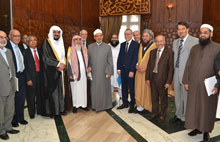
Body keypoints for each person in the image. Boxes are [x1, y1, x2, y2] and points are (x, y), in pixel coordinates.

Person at [182, 24, 219, 142]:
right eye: (201, 32)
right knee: (194, 107)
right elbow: (188, 65)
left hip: (209, 87)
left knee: (207, 109)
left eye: (205, 32)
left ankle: (206, 131)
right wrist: (186, 81)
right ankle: (196, 128)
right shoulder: (194, 48)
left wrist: (218, 86)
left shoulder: (218, 48)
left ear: (211, 34)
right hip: (194, 85)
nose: (202, 34)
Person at [170, 21, 199, 124]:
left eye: (183, 29)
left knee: (187, 97)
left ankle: (187, 117)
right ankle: (178, 114)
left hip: (187, 74)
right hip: (176, 73)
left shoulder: (195, 41)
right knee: (177, 96)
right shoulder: (175, 42)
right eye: (179, 29)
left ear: (188, 30)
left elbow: (196, 60)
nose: (180, 31)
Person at [146, 35, 174, 123]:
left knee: (163, 99)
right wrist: (147, 78)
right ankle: (155, 113)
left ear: (164, 42)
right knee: (154, 98)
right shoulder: (152, 52)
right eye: (157, 41)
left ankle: (162, 114)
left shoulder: (169, 52)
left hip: (163, 79)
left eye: (161, 41)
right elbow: (149, 66)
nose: (159, 43)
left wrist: (168, 81)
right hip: (153, 78)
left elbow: (171, 68)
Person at [41, 25, 66, 117]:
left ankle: (61, 109)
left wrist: (63, 64)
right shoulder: (46, 42)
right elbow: (45, 57)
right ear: (51, 33)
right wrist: (58, 64)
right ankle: (54, 111)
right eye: (54, 32)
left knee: (61, 90)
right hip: (50, 72)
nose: (56, 34)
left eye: (58, 32)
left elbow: (63, 56)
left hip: (61, 70)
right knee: (54, 91)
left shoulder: (61, 43)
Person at [6, 29, 28, 127]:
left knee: (21, 98)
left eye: (19, 36)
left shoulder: (20, 47)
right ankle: (13, 119)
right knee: (12, 99)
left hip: (22, 75)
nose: (18, 38)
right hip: (13, 77)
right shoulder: (6, 48)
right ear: (10, 36)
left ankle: (20, 117)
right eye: (15, 36)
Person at [0, 30, 19, 140]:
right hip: (1, 86)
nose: (3, 40)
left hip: (11, 84)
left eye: (5, 37)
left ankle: (8, 127)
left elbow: (11, 68)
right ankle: (1, 130)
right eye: (1, 37)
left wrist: (14, 82)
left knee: (10, 108)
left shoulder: (8, 51)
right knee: (0, 111)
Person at [88, 29, 113, 111]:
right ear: (94, 37)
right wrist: (89, 67)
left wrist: (109, 72)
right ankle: (95, 106)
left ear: (102, 36)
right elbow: (88, 60)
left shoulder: (107, 47)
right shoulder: (90, 47)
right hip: (94, 73)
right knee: (95, 90)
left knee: (105, 89)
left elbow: (110, 60)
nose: (99, 37)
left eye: (100, 36)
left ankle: (106, 106)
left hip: (104, 72)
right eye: (97, 36)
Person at [117, 29, 139, 113]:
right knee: (124, 88)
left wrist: (132, 70)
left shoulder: (136, 45)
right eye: (125, 34)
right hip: (123, 70)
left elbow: (135, 59)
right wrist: (118, 68)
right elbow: (120, 57)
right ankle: (125, 103)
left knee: (132, 88)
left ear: (132, 35)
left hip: (130, 71)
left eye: (128, 34)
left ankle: (132, 104)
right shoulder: (122, 45)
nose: (126, 36)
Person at [135, 29, 157, 112]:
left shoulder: (154, 45)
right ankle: (140, 104)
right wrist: (136, 66)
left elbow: (155, 61)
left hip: (148, 72)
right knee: (139, 88)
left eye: (146, 36)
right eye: (143, 36)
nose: (144, 38)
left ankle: (148, 106)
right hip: (139, 72)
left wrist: (146, 68)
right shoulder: (141, 45)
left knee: (147, 90)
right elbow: (137, 58)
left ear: (151, 37)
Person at [68, 35, 89, 113]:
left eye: (79, 39)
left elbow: (87, 61)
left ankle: (83, 105)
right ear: (73, 41)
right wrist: (70, 74)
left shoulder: (84, 50)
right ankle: (75, 106)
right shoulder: (70, 51)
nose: (78, 41)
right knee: (75, 90)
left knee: (83, 89)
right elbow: (68, 63)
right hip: (75, 74)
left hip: (83, 74)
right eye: (76, 40)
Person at [24, 35, 42, 119]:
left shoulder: (40, 50)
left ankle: (40, 110)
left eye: (35, 40)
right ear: (27, 43)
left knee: (40, 94)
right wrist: (28, 79)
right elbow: (25, 67)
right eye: (31, 40)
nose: (33, 42)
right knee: (31, 96)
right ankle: (31, 113)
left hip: (40, 76)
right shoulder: (25, 52)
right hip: (31, 77)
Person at [109, 34, 122, 98]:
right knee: (110, 84)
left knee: (120, 84)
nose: (114, 39)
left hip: (118, 69)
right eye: (113, 38)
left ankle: (122, 99)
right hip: (110, 69)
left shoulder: (121, 46)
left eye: (115, 38)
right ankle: (109, 99)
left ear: (117, 38)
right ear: (111, 39)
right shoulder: (107, 46)